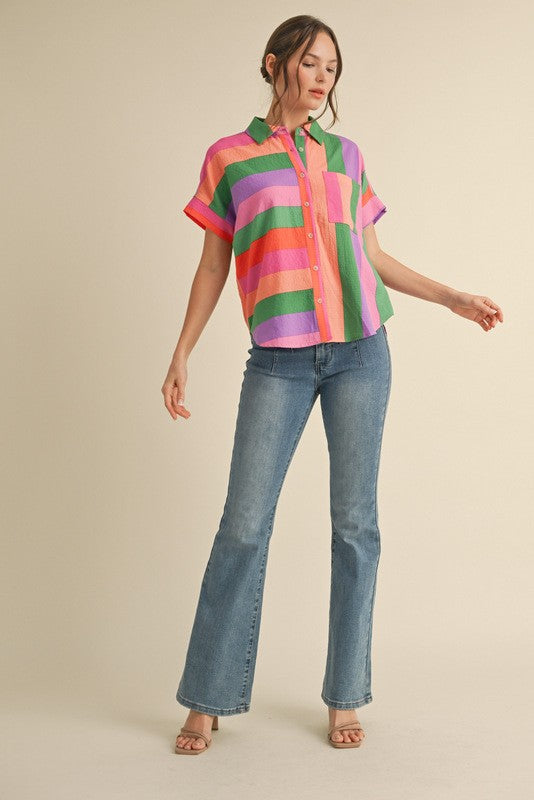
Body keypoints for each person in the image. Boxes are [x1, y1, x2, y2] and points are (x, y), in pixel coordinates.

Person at [162, 15, 503, 755]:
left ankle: (346, 694)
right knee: (243, 526)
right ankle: (208, 698)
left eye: (332, 67)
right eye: (311, 62)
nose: (323, 77)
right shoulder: (230, 159)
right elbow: (214, 263)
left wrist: (452, 297)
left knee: (356, 527)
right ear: (274, 63)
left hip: (361, 354)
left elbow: (372, 255)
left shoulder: (347, 156)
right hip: (278, 360)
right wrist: (182, 350)